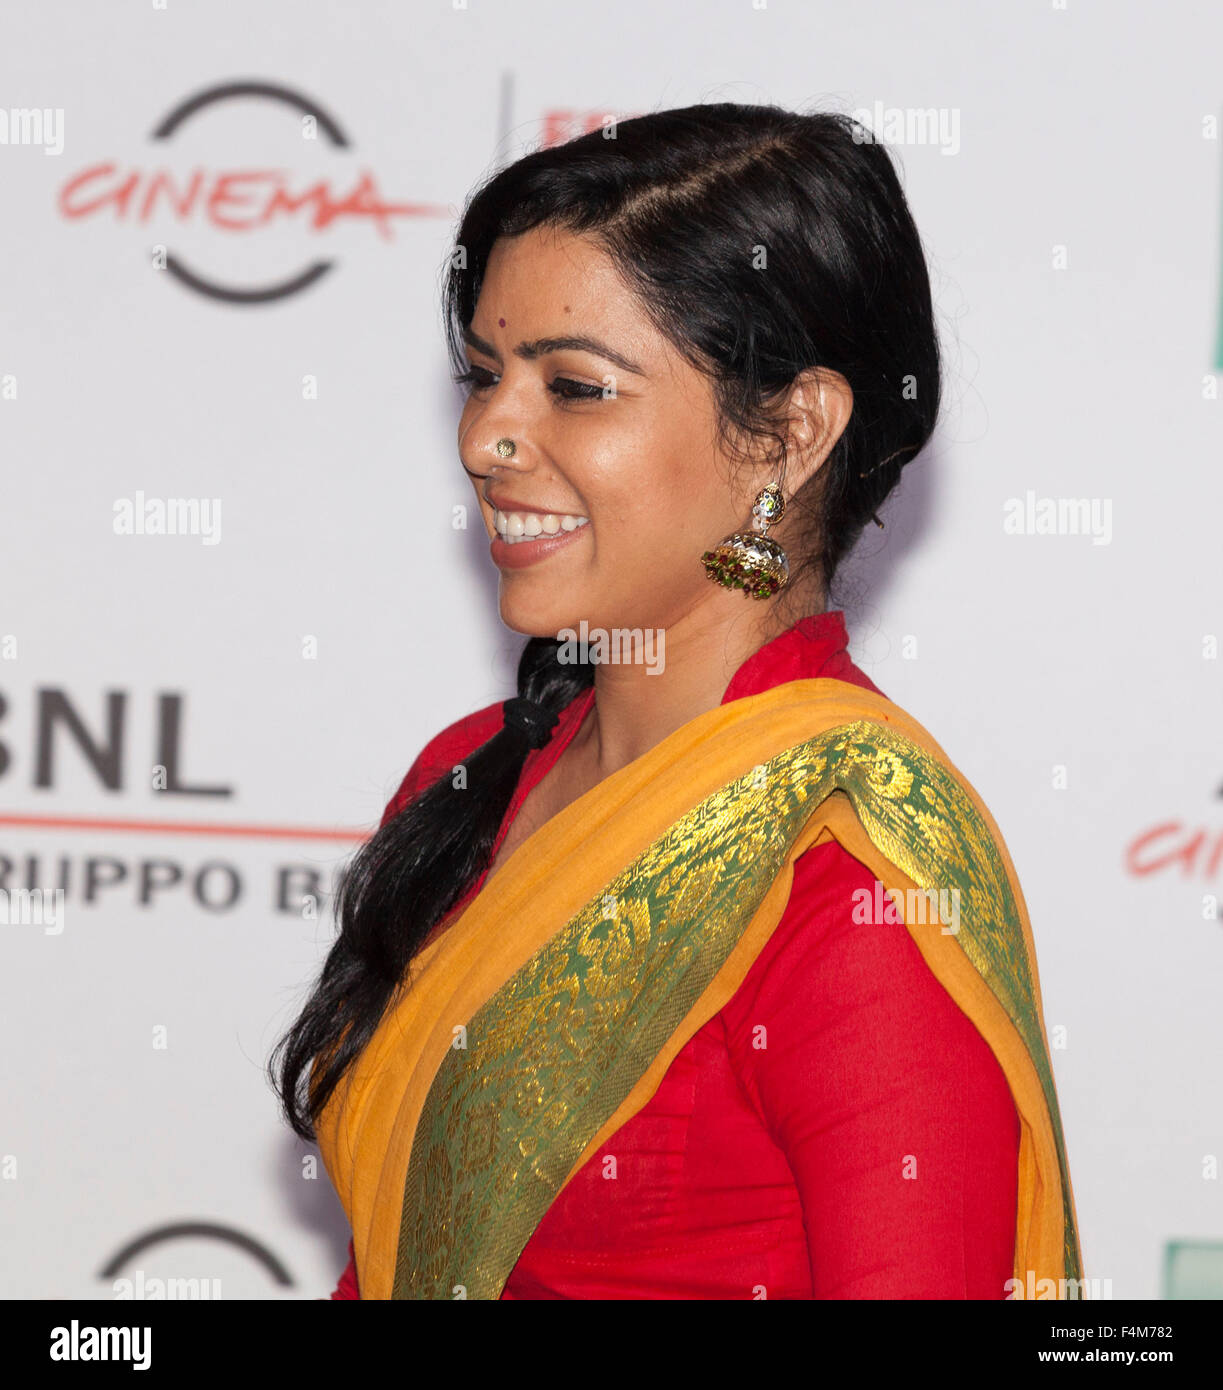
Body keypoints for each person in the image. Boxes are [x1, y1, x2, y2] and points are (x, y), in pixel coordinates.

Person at [269, 102, 1082, 1300]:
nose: (487, 436)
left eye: (575, 388)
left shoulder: (856, 885)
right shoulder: (476, 773)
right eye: (484, 376)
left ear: (789, 434)